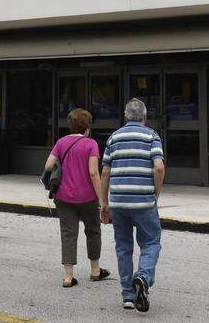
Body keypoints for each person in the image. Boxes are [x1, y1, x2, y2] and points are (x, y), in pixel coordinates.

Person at [100, 98, 165, 313]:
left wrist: (104, 203)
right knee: (151, 242)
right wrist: (155, 194)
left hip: (118, 202)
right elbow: (158, 167)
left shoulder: (114, 137)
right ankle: (143, 277)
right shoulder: (152, 136)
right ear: (144, 117)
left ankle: (128, 296)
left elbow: (105, 172)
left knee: (123, 247)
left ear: (126, 117)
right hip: (144, 202)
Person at [43, 108, 111, 288]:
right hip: (87, 197)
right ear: (87, 127)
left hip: (63, 196)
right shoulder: (91, 144)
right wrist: (101, 199)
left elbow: (48, 165)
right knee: (93, 230)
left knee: (68, 233)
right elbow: (93, 173)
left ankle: (68, 277)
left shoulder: (61, 142)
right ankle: (95, 271)